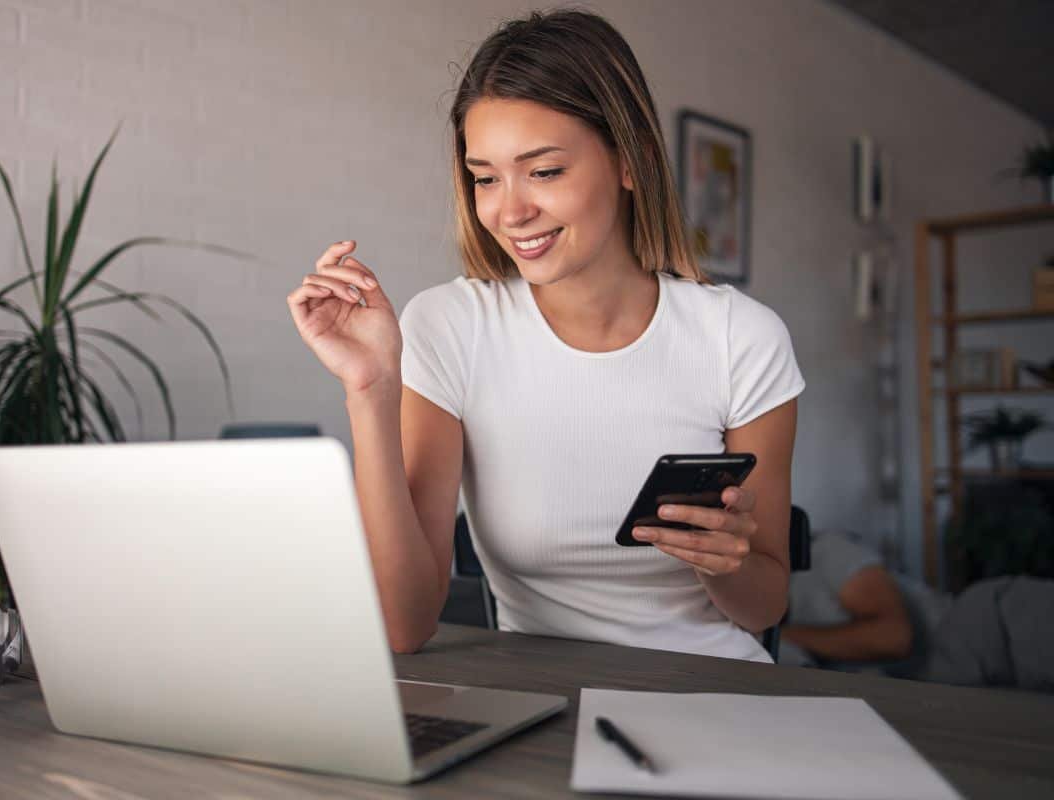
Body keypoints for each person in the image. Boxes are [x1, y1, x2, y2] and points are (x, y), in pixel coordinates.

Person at [286, 10, 805, 661]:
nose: (509, 210)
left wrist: (724, 563)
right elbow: (404, 625)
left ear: (631, 160)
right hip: (540, 702)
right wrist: (370, 390)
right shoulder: (451, 326)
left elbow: (767, 603)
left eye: (545, 171)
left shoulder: (742, 338)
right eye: (485, 177)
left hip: (711, 688)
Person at [782, 531, 1054, 691]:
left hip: (991, 628)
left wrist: (787, 635)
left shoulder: (823, 550)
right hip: (967, 692)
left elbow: (894, 637)